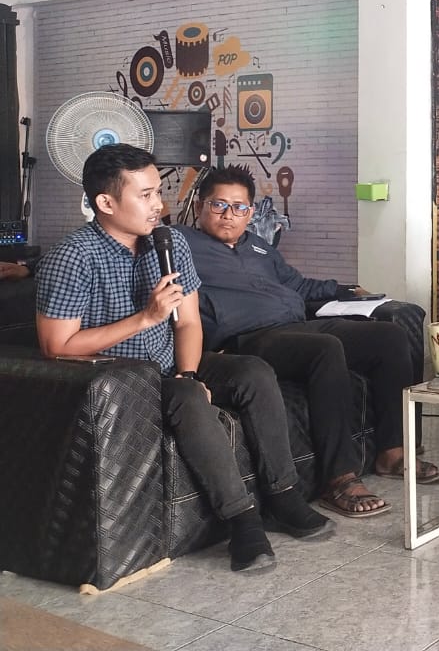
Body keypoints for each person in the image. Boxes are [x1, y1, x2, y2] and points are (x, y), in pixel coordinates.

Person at [36, 144, 331, 573]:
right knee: (188, 399)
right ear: (105, 202)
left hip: (169, 362)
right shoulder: (73, 257)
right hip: (120, 379)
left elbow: (188, 322)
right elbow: (55, 346)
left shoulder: (168, 242)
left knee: (252, 371)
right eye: (146, 195)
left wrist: (188, 371)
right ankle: (242, 520)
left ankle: (283, 495)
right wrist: (144, 318)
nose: (159, 204)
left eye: (158, 192)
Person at [179, 166, 439, 514]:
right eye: (218, 205)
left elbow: (299, 286)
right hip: (249, 339)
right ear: (200, 205)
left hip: (296, 324)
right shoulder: (182, 245)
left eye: (240, 207)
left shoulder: (258, 248)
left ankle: (392, 452)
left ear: (251, 212)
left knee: (389, 337)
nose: (229, 215)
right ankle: (339, 479)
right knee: (326, 349)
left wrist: (345, 290)